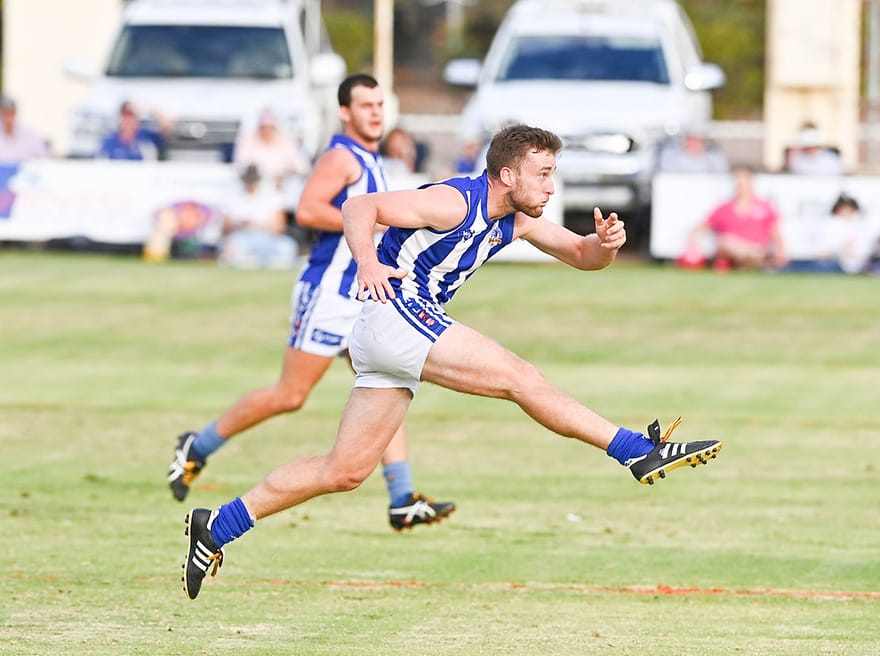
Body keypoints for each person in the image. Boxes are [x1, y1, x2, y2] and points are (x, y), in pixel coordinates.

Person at [181, 123, 724, 600]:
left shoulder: (515, 221)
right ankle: (634, 451)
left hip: (388, 337)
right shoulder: (455, 201)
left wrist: (605, 244)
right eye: (543, 174)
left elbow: (583, 257)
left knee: (343, 472)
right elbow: (357, 207)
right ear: (507, 176)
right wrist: (367, 263)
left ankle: (217, 526)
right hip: (395, 313)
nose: (551, 186)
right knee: (520, 378)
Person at [168, 74, 455, 533]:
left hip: (363, 293)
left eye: (380, 104)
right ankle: (196, 447)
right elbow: (306, 209)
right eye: (366, 105)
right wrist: (374, 225)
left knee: (386, 381)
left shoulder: (370, 158)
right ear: (345, 112)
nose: (376, 113)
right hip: (328, 293)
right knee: (291, 395)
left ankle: (402, 497)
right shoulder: (341, 156)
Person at [681, 165, 788, 271]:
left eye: (745, 178)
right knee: (726, 241)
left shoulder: (765, 206)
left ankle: (748, 260)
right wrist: (692, 245)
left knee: (745, 248)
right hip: (732, 250)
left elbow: (776, 233)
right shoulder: (724, 208)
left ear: (751, 181)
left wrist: (781, 253)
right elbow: (701, 226)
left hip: (756, 249)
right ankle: (747, 261)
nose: (740, 182)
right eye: (737, 178)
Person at [217, 164, 299, 269]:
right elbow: (225, 227)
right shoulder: (233, 198)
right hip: (242, 236)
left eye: (253, 180)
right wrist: (240, 224)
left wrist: (259, 224)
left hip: (268, 237)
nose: (251, 183)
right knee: (234, 246)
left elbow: (280, 227)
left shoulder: (272, 197)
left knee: (287, 247)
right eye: (248, 180)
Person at [232, 108, 310, 190]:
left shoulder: (285, 141)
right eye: (264, 128)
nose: (267, 131)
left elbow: (301, 165)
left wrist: (288, 174)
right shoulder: (247, 140)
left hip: (282, 186)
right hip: (257, 187)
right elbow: (241, 164)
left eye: (269, 128)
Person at [97, 101, 169, 161]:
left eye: (131, 115)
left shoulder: (146, 136)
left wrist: (151, 108)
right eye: (125, 115)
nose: (128, 119)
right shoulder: (110, 140)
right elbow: (101, 162)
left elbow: (166, 126)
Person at [0, 95, 49, 163]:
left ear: (15, 114)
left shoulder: (28, 133)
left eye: (10, 113)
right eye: (5, 113)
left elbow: (43, 156)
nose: (8, 118)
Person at [657, 129, 729, 174]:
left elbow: (722, 176)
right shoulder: (673, 158)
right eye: (691, 139)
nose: (694, 143)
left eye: (698, 140)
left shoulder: (714, 159)